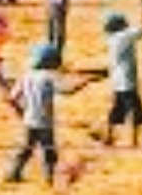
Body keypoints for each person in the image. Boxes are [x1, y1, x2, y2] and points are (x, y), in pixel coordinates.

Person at [5, 43, 90, 184]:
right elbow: (66, 90)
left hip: (28, 120)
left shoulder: (26, 76)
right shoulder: (48, 76)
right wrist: (84, 82)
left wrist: (20, 111)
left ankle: (13, 173)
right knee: (49, 151)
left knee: (25, 149)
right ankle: (48, 178)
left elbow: (12, 98)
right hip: (45, 122)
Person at [103, 12, 142, 147]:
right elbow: (141, 31)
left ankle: (109, 136)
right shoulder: (123, 37)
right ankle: (134, 141)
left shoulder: (112, 39)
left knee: (117, 110)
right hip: (127, 82)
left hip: (117, 82)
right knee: (135, 112)